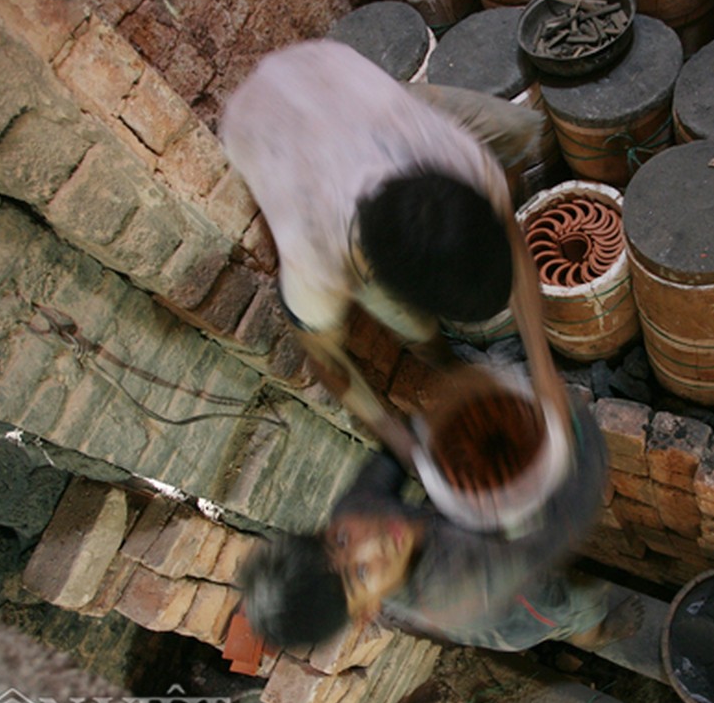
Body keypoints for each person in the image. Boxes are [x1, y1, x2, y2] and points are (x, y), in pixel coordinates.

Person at [220, 40, 572, 471]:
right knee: (411, 326)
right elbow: (324, 358)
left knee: (517, 127)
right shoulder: (321, 258)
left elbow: (510, 239)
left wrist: (544, 367)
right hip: (262, 124)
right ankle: (441, 360)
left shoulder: (458, 159)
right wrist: (399, 442)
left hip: (330, 76)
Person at [238, 401, 641, 653]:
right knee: (578, 600)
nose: (369, 543)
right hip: (522, 606)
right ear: (367, 612)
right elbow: (558, 529)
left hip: (466, 538)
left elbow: (400, 447)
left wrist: (436, 425)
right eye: (360, 574)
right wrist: (581, 434)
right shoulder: (457, 590)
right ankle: (597, 635)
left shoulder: (353, 514)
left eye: (340, 540)